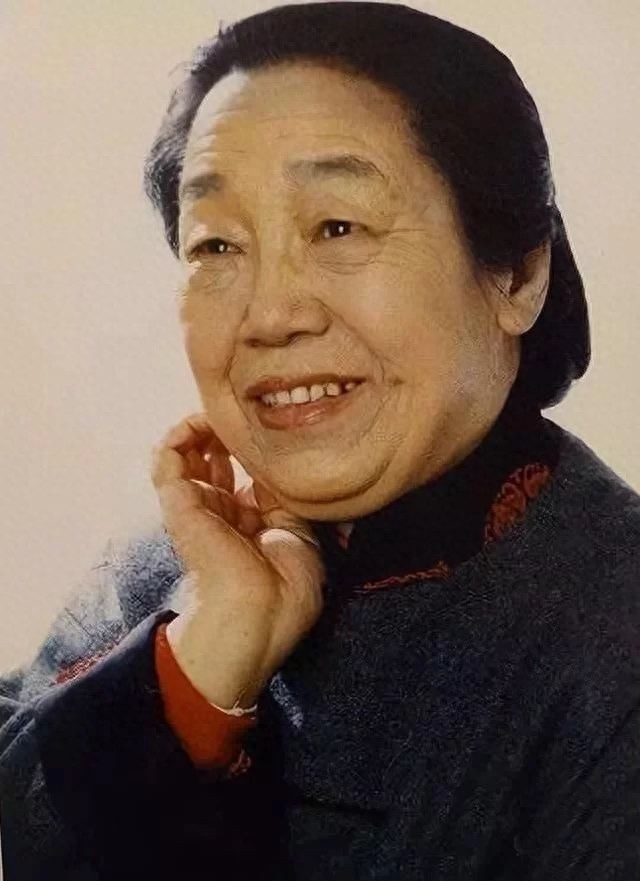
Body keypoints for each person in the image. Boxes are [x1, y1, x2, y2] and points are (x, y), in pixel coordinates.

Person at [1, 2, 639, 878]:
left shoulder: (615, 634)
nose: (270, 315)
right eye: (216, 244)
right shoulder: (161, 571)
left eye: (338, 227)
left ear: (518, 274)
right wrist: (199, 668)